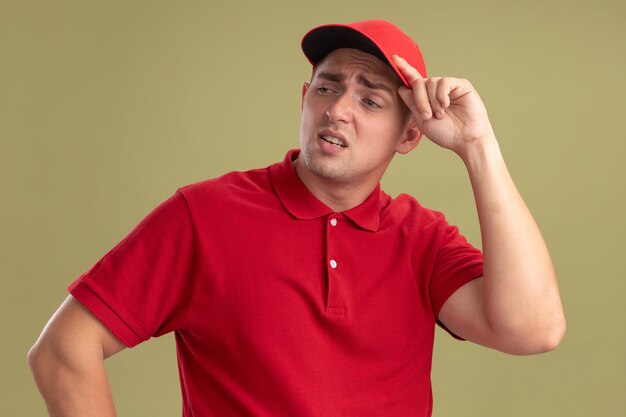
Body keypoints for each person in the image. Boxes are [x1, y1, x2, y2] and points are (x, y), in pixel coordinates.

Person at [28, 19, 566, 417]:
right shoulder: (205, 216)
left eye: (371, 100)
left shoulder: (421, 239)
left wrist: (478, 145)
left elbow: (533, 330)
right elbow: (61, 350)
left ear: (410, 136)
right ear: (305, 99)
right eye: (327, 88)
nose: (338, 109)